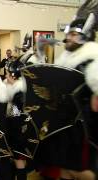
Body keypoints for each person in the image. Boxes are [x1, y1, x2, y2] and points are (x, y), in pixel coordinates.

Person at [34, 9, 98, 179]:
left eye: (73, 35)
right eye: (68, 34)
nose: (68, 37)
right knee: (62, 168)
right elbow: (51, 87)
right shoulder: (67, 59)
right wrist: (40, 55)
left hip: (83, 129)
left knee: (83, 171)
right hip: (63, 126)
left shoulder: (92, 60)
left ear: (86, 36)